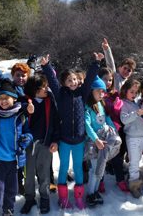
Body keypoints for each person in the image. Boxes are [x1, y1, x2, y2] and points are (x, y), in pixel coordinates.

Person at [41, 52, 104, 210]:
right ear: (64, 83)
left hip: (79, 140)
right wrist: (46, 66)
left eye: (75, 79)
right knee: (63, 168)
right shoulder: (60, 94)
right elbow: (53, 82)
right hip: (64, 140)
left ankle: (78, 197)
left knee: (78, 168)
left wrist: (96, 62)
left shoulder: (83, 94)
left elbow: (89, 78)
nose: (73, 82)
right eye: (69, 80)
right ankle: (63, 199)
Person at [0, 79, 33, 215]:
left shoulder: (20, 116)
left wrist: (26, 139)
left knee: (12, 190)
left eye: (6, 98)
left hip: (14, 162)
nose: (3, 101)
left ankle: (8, 210)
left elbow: (28, 133)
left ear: (14, 99)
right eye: (1, 98)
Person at [0, 56, 30, 194]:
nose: (21, 78)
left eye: (24, 76)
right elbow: (0, 79)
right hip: (13, 121)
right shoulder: (10, 86)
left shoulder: (29, 87)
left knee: (22, 156)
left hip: (26, 123)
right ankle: (14, 182)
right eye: (18, 75)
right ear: (13, 75)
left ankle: (20, 181)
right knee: (15, 156)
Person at [19, 74, 59, 214]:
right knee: (28, 174)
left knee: (44, 173)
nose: (46, 89)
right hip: (29, 145)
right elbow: (18, 109)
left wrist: (55, 140)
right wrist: (25, 108)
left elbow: (55, 122)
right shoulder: (25, 101)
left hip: (45, 143)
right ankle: (29, 198)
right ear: (35, 90)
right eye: (43, 87)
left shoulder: (49, 100)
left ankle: (45, 197)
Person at [84, 76, 121, 207]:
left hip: (104, 141)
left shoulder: (101, 104)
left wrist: (113, 131)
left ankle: (94, 191)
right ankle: (90, 193)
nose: (102, 93)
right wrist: (96, 139)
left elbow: (106, 119)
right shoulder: (88, 107)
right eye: (98, 91)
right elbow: (87, 125)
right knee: (95, 169)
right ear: (91, 91)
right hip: (94, 143)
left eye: (103, 91)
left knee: (101, 168)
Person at [98, 67, 129, 192]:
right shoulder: (96, 94)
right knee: (101, 157)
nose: (108, 82)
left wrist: (117, 105)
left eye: (110, 80)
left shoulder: (114, 94)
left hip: (114, 130)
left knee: (117, 156)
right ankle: (100, 181)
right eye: (105, 79)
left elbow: (118, 112)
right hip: (100, 131)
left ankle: (120, 180)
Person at [120, 78, 143, 198]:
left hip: (141, 136)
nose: (134, 94)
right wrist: (136, 114)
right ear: (125, 90)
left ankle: (133, 179)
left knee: (137, 160)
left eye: (136, 92)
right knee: (134, 162)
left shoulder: (136, 103)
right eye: (131, 91)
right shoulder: (123, 104)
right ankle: (134, 185)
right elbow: (124, 119)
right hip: (133, 137)